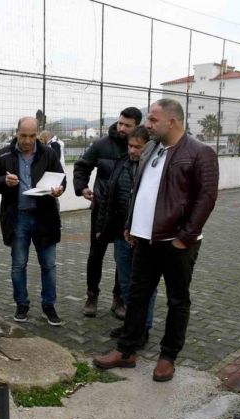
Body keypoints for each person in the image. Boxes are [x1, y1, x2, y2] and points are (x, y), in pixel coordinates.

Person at [93, 99, 219, 382]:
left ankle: (168, 356)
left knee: (177, 300)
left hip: (176, 242)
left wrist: (185, 237)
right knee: (136, 296)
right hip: (144, 239)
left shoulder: (200, 153)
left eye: (152, 120)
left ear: (172, 122)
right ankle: (126, 350)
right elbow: (139, 190)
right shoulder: (152, 148)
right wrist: (130, 225)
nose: (146, 125)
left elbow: (206, 198)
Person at [0, 116, 66, 325]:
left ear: (37, 134)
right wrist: (4, 181)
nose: (28, 141)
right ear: (16, 132)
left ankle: (49, 306)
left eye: (32, 136)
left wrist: (59, 190)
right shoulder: (3, 154)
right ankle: (22, 304)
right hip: (18, 218)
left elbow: (61, 178)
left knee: (49, 265)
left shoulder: (48, 153)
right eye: (24, 136)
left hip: (44, 217)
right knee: (18, 265)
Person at [74, 107, 143, 319]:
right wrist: (82, 187)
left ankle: (119, 298)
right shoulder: (101, 144)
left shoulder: (141, 148)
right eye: (120, 123)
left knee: (124, 257)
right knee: (96, 254)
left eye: (127, 125)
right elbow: (81, 166)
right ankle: (92, 296)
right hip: (102, 210)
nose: (121, 128)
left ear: (136, 127)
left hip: (126, 213)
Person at [95, 125, 157, 346]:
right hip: (121, 235)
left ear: (148, 147)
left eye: (137, 147)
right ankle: (132, 325)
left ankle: (143, 328)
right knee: (126, 283)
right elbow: (108, 197)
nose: (132, 151)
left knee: (145, 286)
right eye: (130, 145)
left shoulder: (154, 168)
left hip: (143, 237)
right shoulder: (122, 163)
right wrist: (102, 227)